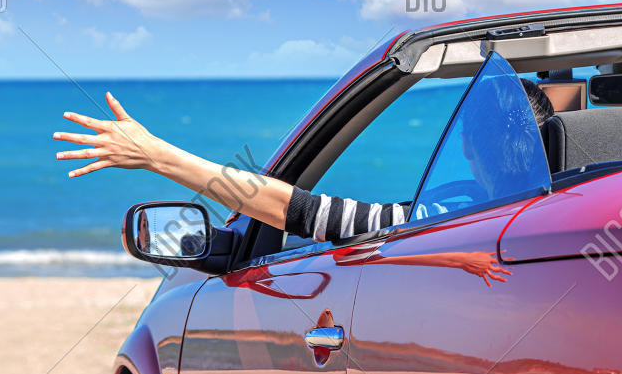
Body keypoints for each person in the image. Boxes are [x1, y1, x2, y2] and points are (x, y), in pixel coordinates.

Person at [53, 80, 555, 249]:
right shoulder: (574, 207)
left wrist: (156, 156)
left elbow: (297, 210)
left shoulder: (452, 218)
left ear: (465, 145)